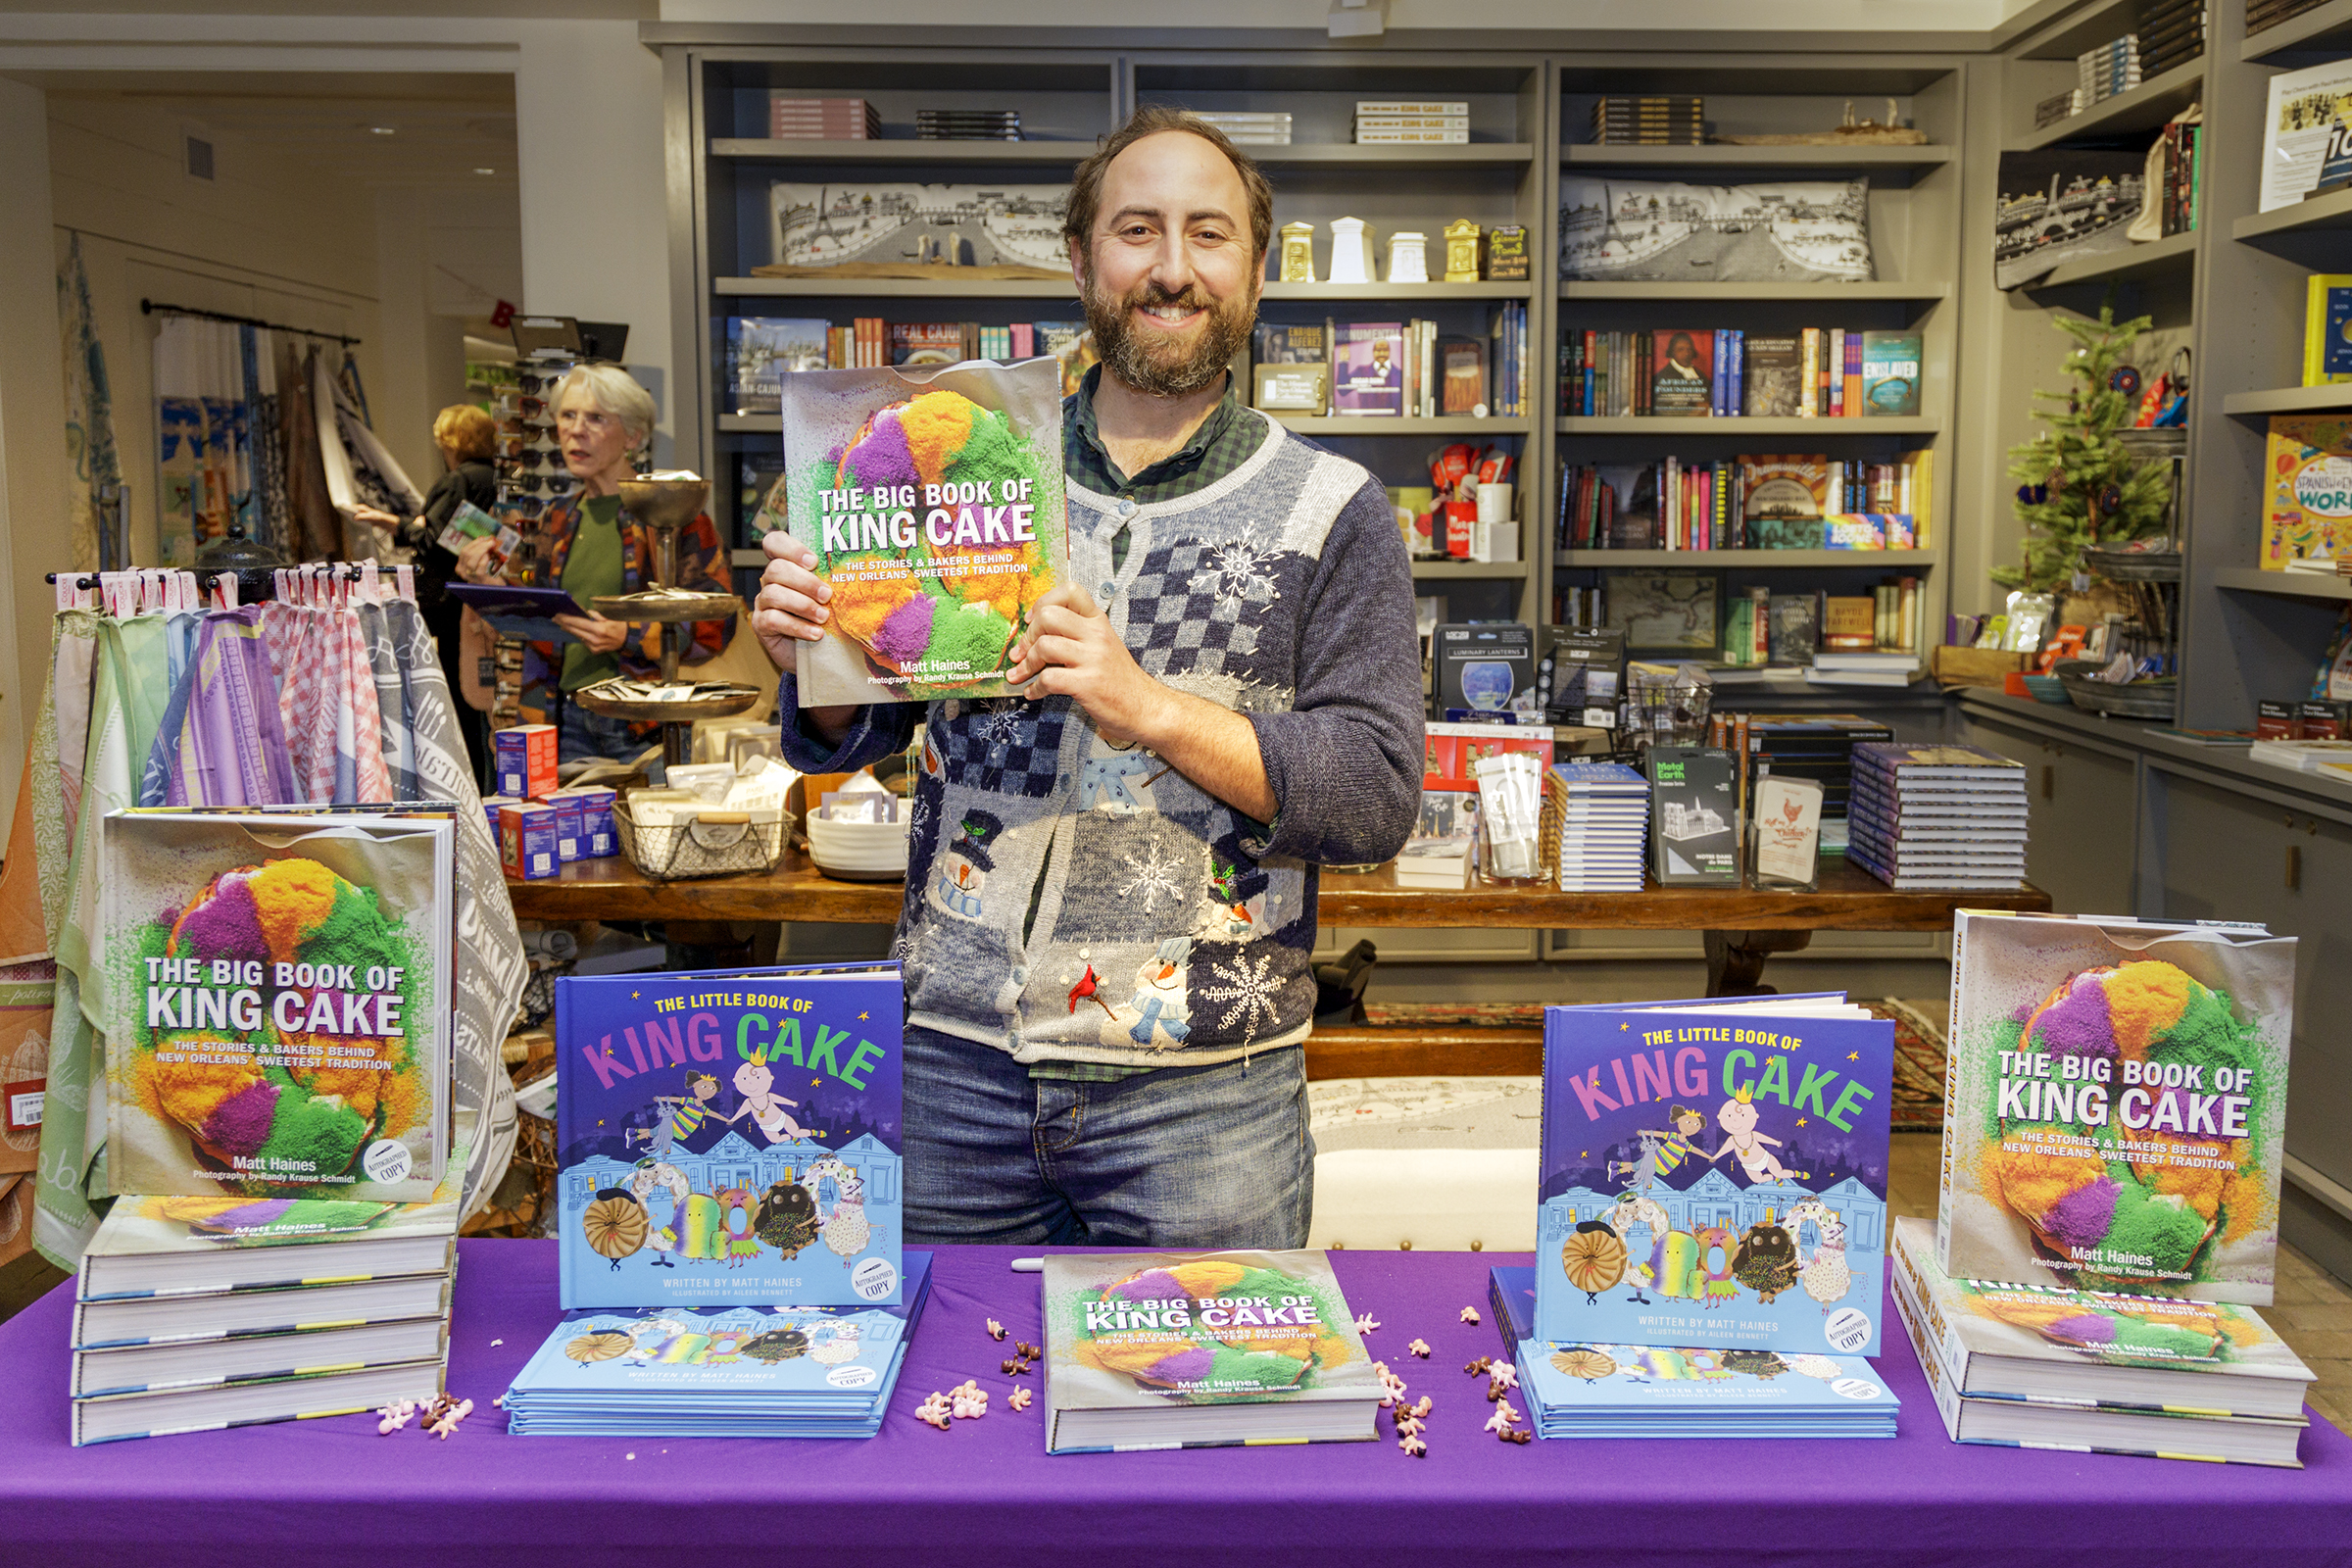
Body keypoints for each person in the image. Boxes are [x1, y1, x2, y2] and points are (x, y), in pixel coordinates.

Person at [753, 105, 1422, 1250]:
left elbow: (1372, 796)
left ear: (1257, 270)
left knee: (1199, 1405)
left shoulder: (1336, 509)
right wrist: (815, 649)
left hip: (1205, 1088)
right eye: (1137, 231)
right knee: (934, 1408)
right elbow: (853, 728)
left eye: (1209, 235)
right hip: (950, 1058)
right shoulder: (961, 458)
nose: (1172, 269)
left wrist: (1150, 707)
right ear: (1080, 258)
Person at [474, 363, 733, 763]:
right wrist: (489, 589)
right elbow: (542, 625)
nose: (576, 430)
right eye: (567, 415)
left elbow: (716, 622)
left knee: (650, 826)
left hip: (642, 722)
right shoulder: (553, 520)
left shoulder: (674, 512)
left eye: (595, 418)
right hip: (560, 718)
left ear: (633, 435)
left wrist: (627, 634)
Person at [353, 404, 498, 783]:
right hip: (483, 594)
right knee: (486, 697)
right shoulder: (496, 478)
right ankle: (486, 780)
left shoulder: (458, 480)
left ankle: (460, 780)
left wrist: (394, 522)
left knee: (452, 692)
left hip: (446, 600)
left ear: (451, 441)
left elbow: (435, 542)